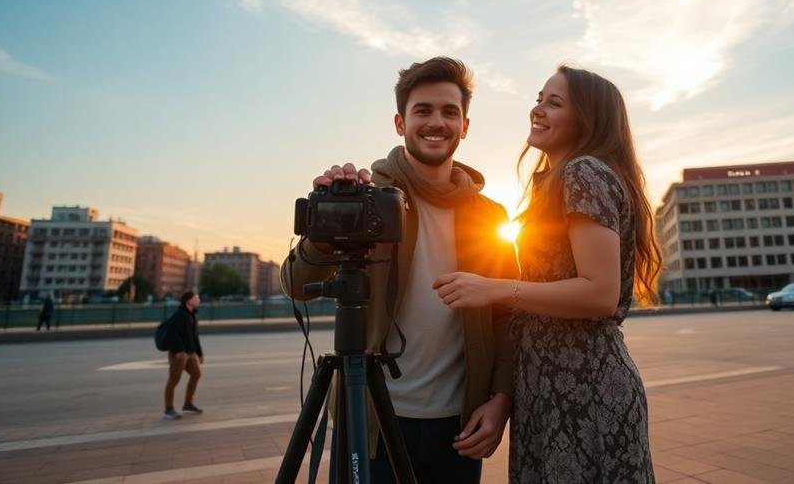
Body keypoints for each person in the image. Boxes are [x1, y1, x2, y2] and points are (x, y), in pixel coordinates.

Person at [280, 57, 518, 484]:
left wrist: (500, 400)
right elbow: (296, 286)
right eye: (422, 110)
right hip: (369, 418)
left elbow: (508, 317)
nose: (436, 122)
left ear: (465, 126)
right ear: (399, 122)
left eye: (450, 112)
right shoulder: (368, 198)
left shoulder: (490, 217)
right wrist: (326, 225)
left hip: (458, 427)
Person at [433, 65, 660, 483]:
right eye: (539, 98)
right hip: (549, 387)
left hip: (584, 389)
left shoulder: (584, 172)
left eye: (553, 103)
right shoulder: (556, 180)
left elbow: (600, 293)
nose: (537, 109)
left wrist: (494, 288)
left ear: (587, 118)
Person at [163, 291, 204, 419]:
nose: (198, 299)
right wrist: (180, 351)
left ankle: (188, 404)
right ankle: (168, 409)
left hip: (191, 353)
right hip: (179, 354)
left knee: (196, 374)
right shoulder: (179, 314)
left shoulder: (193, 315)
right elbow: (171, 332)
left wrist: (200, 353)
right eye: (195, 297)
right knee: (173, 380)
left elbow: (195, 336)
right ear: (188, 300)